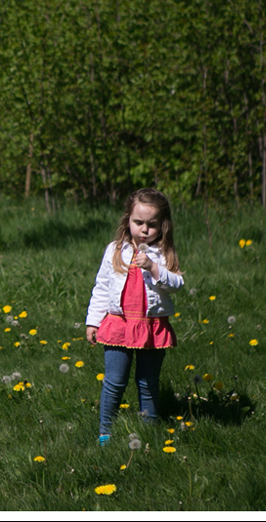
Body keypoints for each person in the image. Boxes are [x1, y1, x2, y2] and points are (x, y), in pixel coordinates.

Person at [85, 188, 184, 445]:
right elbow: (102, 287)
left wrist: (153, 267)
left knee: (148, 382)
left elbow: (177, 283)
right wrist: (93, 321)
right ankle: (105, 432)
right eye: (138, 222)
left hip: (151, 327)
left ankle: (147, 429)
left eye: (151, 225)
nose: (144, 230)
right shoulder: (115, 250)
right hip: (119, 324)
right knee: (114, 381)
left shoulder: (163, 253)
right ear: (127, 220)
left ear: (162, 226)